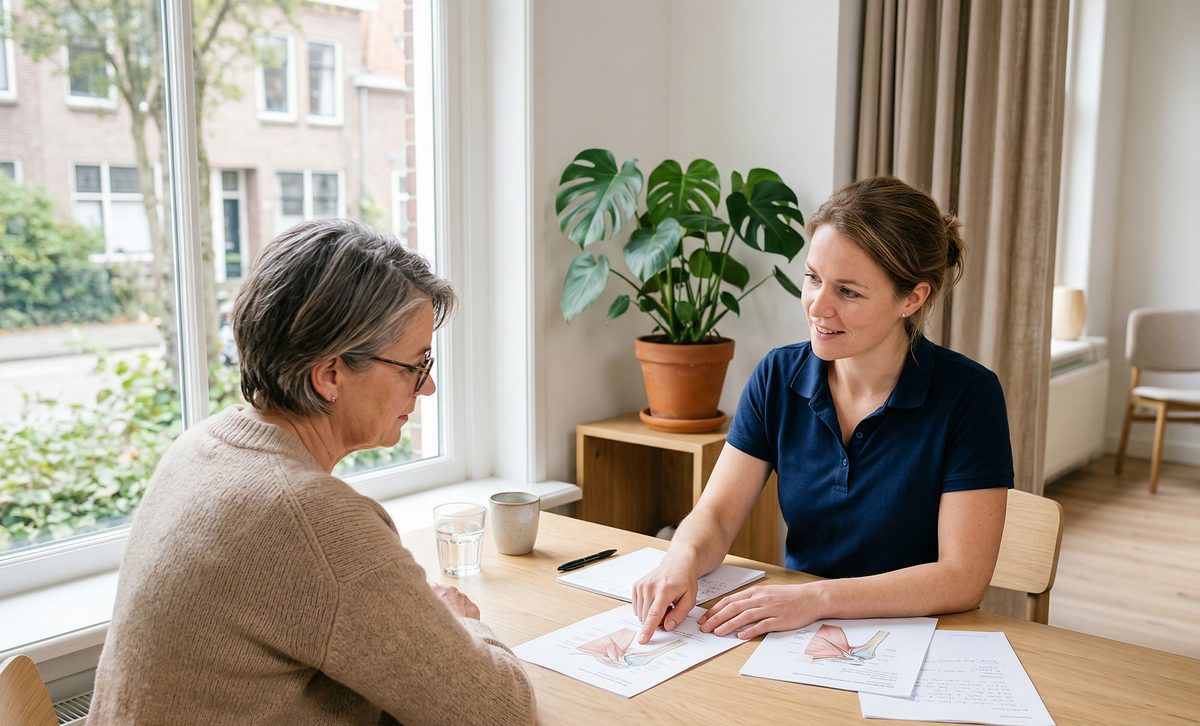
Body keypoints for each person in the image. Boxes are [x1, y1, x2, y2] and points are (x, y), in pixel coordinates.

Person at [90, 220, 536, 725]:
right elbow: (499, 712)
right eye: (415, 365)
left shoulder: (199, 448)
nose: (427, 387)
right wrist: (461, 625)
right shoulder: (311, 520)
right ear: (329, 375)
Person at [632, 176, 1013, 644]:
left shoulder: (969, 395)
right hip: (794, 633)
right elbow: (715, 516)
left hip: (916, 638)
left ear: (912, 298)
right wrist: (680, 559)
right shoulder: (778, 376)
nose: (818, 307)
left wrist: (816, 600)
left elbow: (962, 578)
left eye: (848, 292)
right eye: (813, 278)